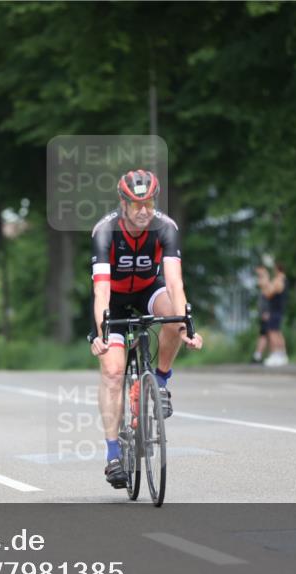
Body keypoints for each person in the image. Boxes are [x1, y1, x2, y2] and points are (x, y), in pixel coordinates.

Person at [88, 169, 203, 489]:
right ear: (123, 203)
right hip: (114, 297)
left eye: (149, 202)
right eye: (137, 204)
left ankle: (161, 381)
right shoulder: (105, 231)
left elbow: (175, 283)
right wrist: (101, 334)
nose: (143, 210)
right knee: (112, 371)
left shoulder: (165, 228)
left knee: (175, 317)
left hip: (149, 290)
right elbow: (101, 292)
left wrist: (187, 326)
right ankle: (113, 455)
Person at [262, 259, 289, 367]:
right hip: (279, 309)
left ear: (277, 269)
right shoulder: (284, 279)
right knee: (277, 332)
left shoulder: (279, 280)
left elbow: (268, 294)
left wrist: (266, 281)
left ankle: (276, 354)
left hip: (275, 310)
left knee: (272, 332)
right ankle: (282, 354)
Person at [251, 265, 270, 363]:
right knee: (264, 335)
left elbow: (263, 285)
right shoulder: (263, 281)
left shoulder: (266, 281)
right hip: (263, 312)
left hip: (266, 312)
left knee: (265, 335)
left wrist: (265, 312)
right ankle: (259, 355)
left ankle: (258, 355)